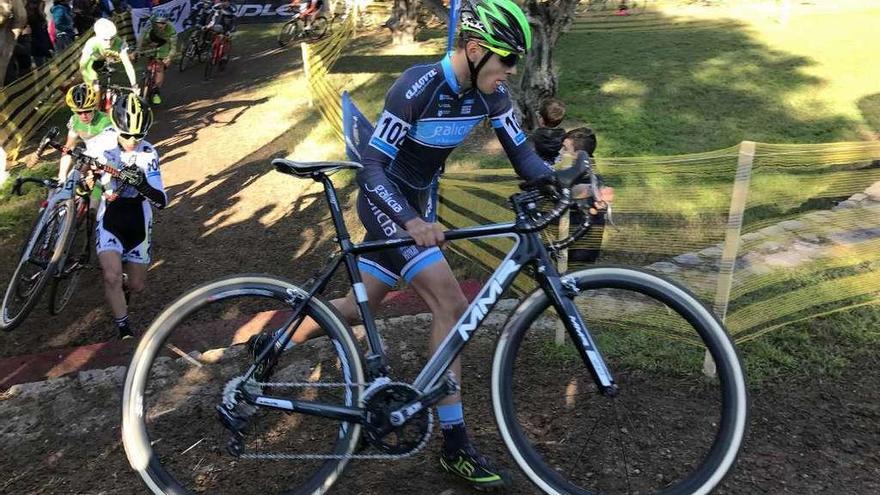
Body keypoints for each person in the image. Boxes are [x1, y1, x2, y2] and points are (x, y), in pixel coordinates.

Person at [249, 0, 572, 489]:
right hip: (388, 203)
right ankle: (455, 443)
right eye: (506, 59)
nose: (510, 71)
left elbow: (525, 159)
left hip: (417, 207)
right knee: (452, 302)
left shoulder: (492, 94)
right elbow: (373, 167)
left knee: (360, 307)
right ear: (476, 48)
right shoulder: (416, 87)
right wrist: (410, 221)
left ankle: (271, 343)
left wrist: (568, 183)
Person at [86, 93, 166, 340]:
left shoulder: (148, 154)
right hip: (110, 212)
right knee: (110, 276)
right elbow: (82, 164)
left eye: (138, 136)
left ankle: (124, 282)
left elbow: (161, 200)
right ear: (116, 127)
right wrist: (87, 178)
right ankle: (124, 330)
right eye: (127, 134)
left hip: (138, 216)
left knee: (136, 286)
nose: (132, 140)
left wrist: (143, 184)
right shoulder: (101, 142)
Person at [561, 127, 612, 264]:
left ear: (578, 154)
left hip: (580, 245)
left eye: (565, 148)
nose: (561, 152)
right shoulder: (589, 168)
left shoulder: (585, 178)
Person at [79, 17, 138, 94]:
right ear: (98, 37)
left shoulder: (119, 42)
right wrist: (92, 81)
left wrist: (134, 85)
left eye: (112, 38)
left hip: (105, 59)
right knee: (96, 90)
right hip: (93, 63)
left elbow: (128, 66)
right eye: (105, 39)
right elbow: (83, 66)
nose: (109, 42)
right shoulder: (91, 44)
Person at [135, 12, 176, 104]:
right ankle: (147, 76)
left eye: (164, 23)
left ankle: (156, 91)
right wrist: (138, 50)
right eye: (159, 23)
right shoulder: (149, 23)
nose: (162, 25)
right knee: (149, 57)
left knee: (159, 67)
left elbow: (173, 46)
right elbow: (141, 37)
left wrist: (169, 57)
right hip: (150, 40)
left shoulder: (171, 29)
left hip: (164, 43)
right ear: (154, 22)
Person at [530, 97, 566, 165]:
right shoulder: (564, 136)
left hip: (538, 168)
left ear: (541, 120)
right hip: (556, 168)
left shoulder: (535, 136)